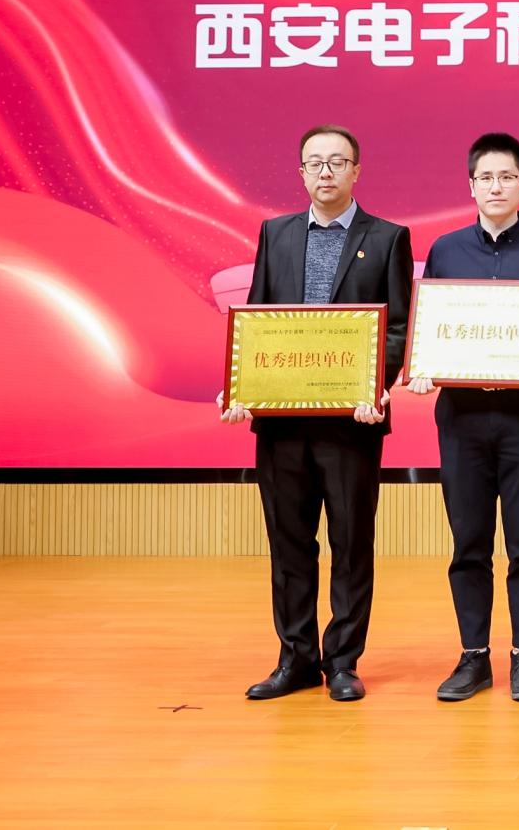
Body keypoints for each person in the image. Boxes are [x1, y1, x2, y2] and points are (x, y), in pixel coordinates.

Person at [220, 124, 412, 703]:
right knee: (289, 544)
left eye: (337, 162)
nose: (325, 172)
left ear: (357, 171)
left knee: (351, 543)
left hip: (352, 424)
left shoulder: (388, 238)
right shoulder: (275, 233)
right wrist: (239, 385)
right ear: (301, 172)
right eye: (315, 162)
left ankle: (344, 661)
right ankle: (296, 658)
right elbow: (257, 319)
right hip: (282, 423)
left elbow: (398, 328)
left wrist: (375, 385)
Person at [404, 133, 519, 704]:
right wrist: (424, 366)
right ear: (471, 185)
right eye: (486, 178)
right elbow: (431, 325)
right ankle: (474, 656)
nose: (496, 187)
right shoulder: (446, 250)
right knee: (469, 541)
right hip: (462, 417)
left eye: (507, 177)